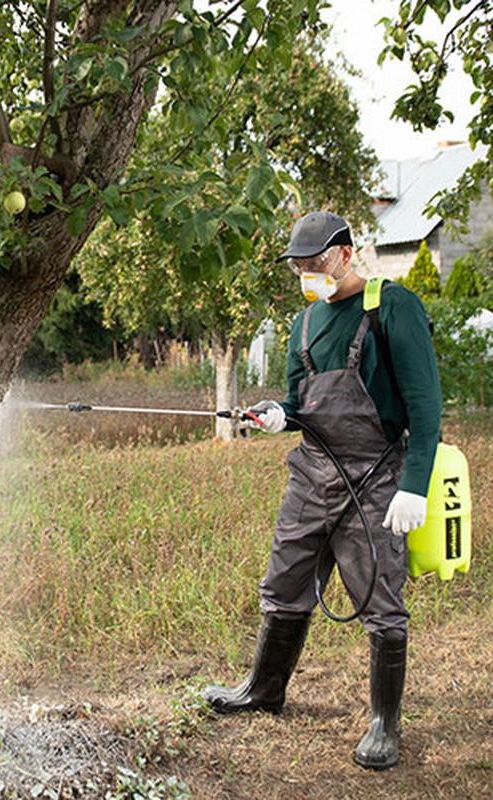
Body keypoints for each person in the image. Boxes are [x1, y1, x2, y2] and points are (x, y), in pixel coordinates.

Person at [203, 211, 442, 770]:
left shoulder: (393, 307)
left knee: (381, 601)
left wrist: (415, 485)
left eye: (316, 262)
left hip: (376, 476)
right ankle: (264, 689)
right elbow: (299, 404)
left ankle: (385, 724)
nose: (308, 273)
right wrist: (276, 415)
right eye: (300, 266)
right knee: (283, 583)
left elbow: (426, 406)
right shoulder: (305, 323)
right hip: (312, 475)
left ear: (346, 252)